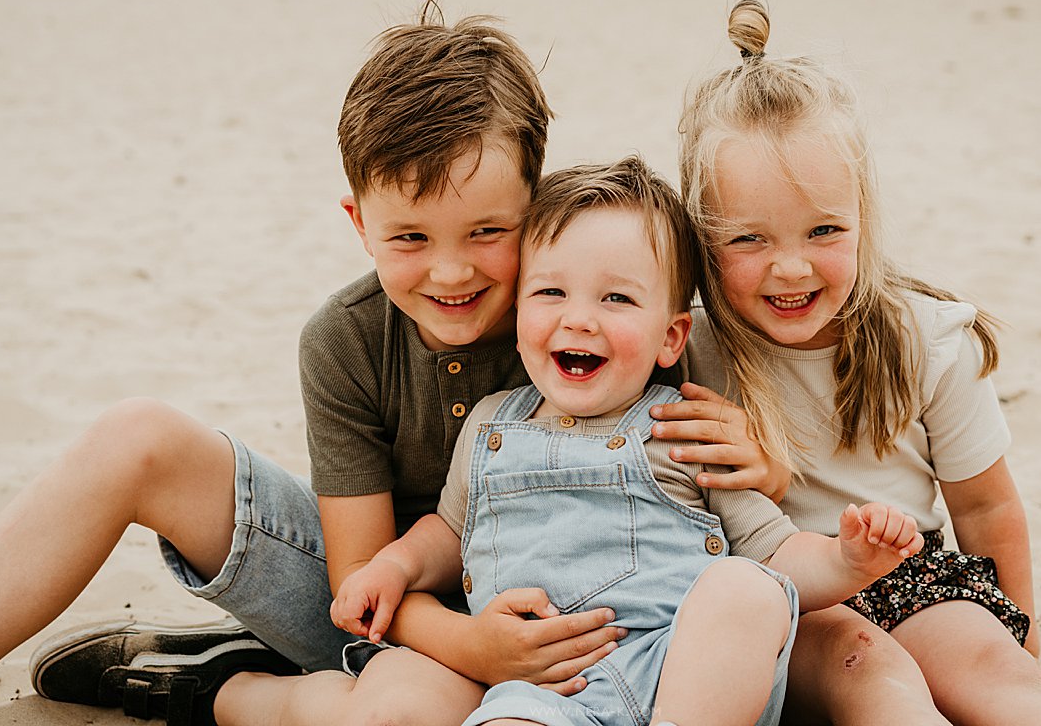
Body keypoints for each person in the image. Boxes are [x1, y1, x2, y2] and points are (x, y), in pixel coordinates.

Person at [0, 0, 629, 726]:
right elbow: (358, 576)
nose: (451, 273)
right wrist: (468, 644)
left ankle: (220, 688)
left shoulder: (590, 322)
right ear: (360, 223)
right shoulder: (345, 338)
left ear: (538, 204)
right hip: (371, 609)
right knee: (136, 438)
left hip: (557, 630)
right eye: (411, 238)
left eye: (489, 230)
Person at [330, 156, 925, 726]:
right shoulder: (490, 427)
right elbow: (451, 531)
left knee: (747, 587)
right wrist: (395, 565)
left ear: (671, 338)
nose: (579, 319)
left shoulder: (682, 428)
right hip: (545, 693)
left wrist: (847, 560)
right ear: (517, 318)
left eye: (616, 298)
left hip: (686, 678)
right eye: (550, 293)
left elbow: (775, 552)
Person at [649, 0, 1041, 725]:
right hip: (777, 599)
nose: (790, 270)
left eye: (823, 230)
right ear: (702, 237)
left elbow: (986, 507)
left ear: (864, 216)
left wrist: (1028, 658)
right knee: (866, 667)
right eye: (749, 240)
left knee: (991, 673)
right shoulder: (684, 350)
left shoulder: (927, 340)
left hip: (907, 575)